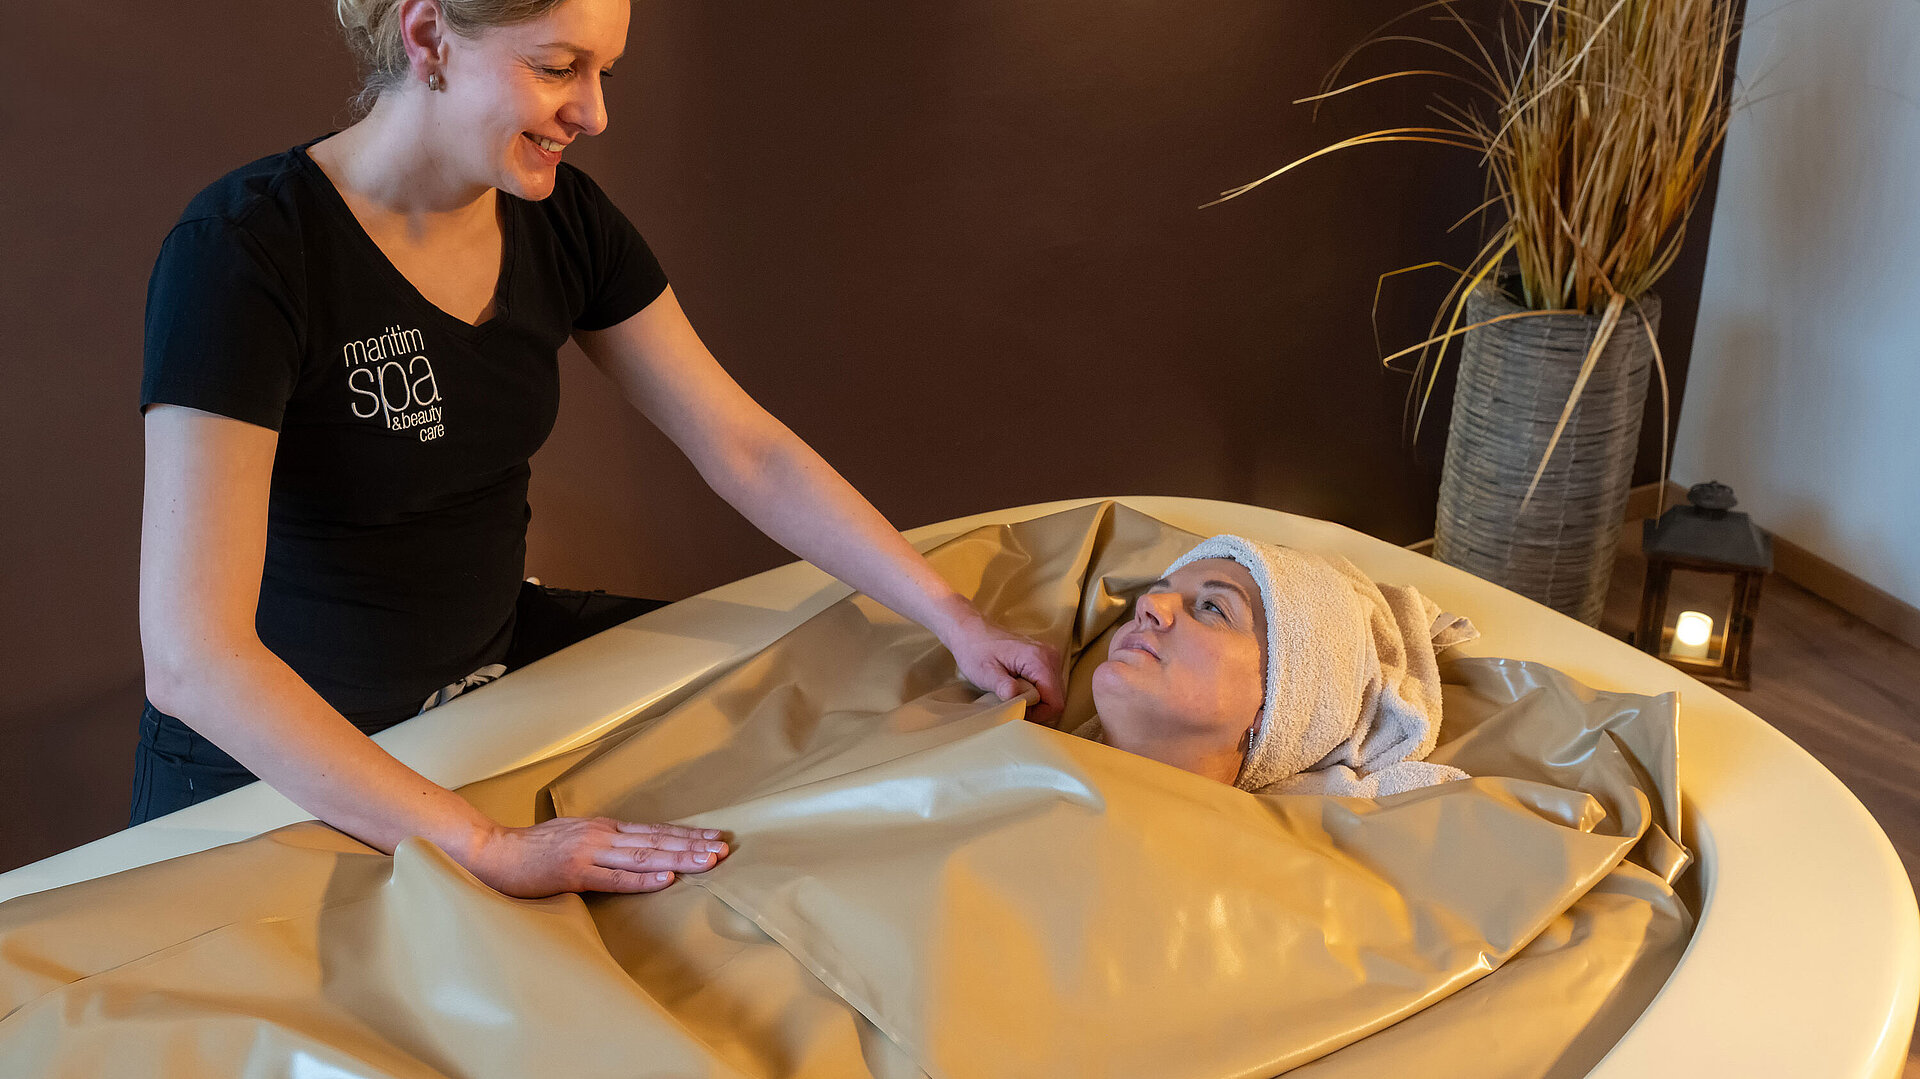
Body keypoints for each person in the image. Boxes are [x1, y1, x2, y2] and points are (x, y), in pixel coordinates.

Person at [135, 0, 1063, 900]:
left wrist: (951, 613)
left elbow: (742, 446)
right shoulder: (244, 251)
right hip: (284, 758)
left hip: (490, 678)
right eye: (556, 67)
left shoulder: (561, 217)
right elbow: (193, 658)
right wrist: (485, 846)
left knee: (841, 678)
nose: (593, 112)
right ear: (428, 34)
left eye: (603, 71)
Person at [1083, 534, 1476, 797]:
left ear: (1279, 705)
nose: (1148, 606)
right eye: (1156, 592)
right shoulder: (1024, 724)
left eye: (1212, 608)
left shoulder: (1285, 872)